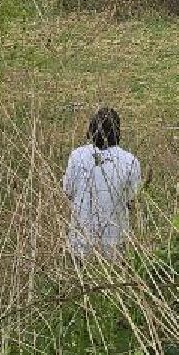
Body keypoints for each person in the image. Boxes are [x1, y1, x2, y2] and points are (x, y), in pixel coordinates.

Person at [62, 108, 142, 259]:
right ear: (118, 131)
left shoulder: (76, 156)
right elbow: (131, 200)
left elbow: (67, 191)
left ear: (91, 129)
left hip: (80, 241)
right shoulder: (130, 161)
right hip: (115, 243)